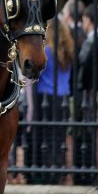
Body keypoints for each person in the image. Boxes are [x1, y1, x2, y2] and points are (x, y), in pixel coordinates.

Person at [26, 17, 73, 184]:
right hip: (64, 97)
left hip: (44, 97)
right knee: (59, 137)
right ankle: (58, 170)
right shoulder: (68, 50)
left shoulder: (45, 51)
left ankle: (44, 172)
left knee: (43, 137)